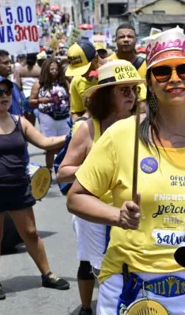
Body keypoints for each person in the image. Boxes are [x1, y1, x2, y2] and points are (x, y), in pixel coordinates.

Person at [67, 27, 185, 314]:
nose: (174, 79)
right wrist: (118, 216)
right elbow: (76, 197)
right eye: (162, 72)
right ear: (149, 82)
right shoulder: (120, 136)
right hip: (132, 287)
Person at [0, 75, 69, 301]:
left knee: (30, 233)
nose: (4, 96)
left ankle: (47, 274)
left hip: (18, 188)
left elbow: (45, 143)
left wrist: (72, 135)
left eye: (7, 92)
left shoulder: (21, 122)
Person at [57, 60, 143, 315]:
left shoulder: (143, 123)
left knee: (137, 266)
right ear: (106, 95)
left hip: (134, 210)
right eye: (123, 90)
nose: (131, 95)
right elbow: (62, 173)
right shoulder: (86, 129)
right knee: (105, 271)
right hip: (96, 215)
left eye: (133, 89)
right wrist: (99, 172)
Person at [29, 59, 70, 170]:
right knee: (50, 146)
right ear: (46, 70)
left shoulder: (64, 82)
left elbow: (71, 96)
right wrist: (42, 100)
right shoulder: (39, 84)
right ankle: (49, 170)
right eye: (51, 69)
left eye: (56, 69)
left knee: (66, 144)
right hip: (48, 117)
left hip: (64, 117)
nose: (54, 71)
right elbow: (31, 101)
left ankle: (63, 169)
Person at [107, 24, 147, 105]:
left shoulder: (147, 65)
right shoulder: (107, 64)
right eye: (122, 37)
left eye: (130, 36)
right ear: (115, 40)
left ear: (136, 40)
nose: (126, 39)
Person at [68, 40, 100, 121]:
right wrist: (77, 124)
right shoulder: (76, 81)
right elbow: (76, 112)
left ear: (95, 59)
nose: (82, 74)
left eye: (84, 69)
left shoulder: (113, 73)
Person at [16, 53, 41, 125]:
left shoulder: (20, 70)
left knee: (29, 121)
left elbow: (18, 86)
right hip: (37, 96)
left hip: (25, 96)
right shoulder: (39, 69)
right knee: (41, 118)